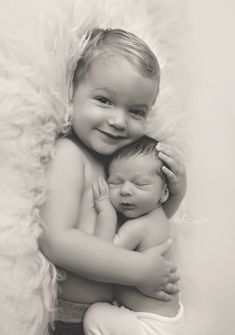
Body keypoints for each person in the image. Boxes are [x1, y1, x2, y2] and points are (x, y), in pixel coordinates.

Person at [39, 28, 186, 335]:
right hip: (71, 319)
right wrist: (140, 270)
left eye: (136, 111)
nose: (119, 121)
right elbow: (56, 239)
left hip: (113, 315)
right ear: (73, 93)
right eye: (104, 100)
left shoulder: (118, 162)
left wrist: (174, 195)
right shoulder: (69, 155)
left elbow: (138, 228)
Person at [84, 135, 184, 335]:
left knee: (95, 315)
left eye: (140, 184)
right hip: (167, 319)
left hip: (148, 325)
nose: (126, 191)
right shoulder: (160, 217)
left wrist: (106, 212)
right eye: (115, 183)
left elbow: (104, 255)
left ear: (164, 193)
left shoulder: (140, 226)